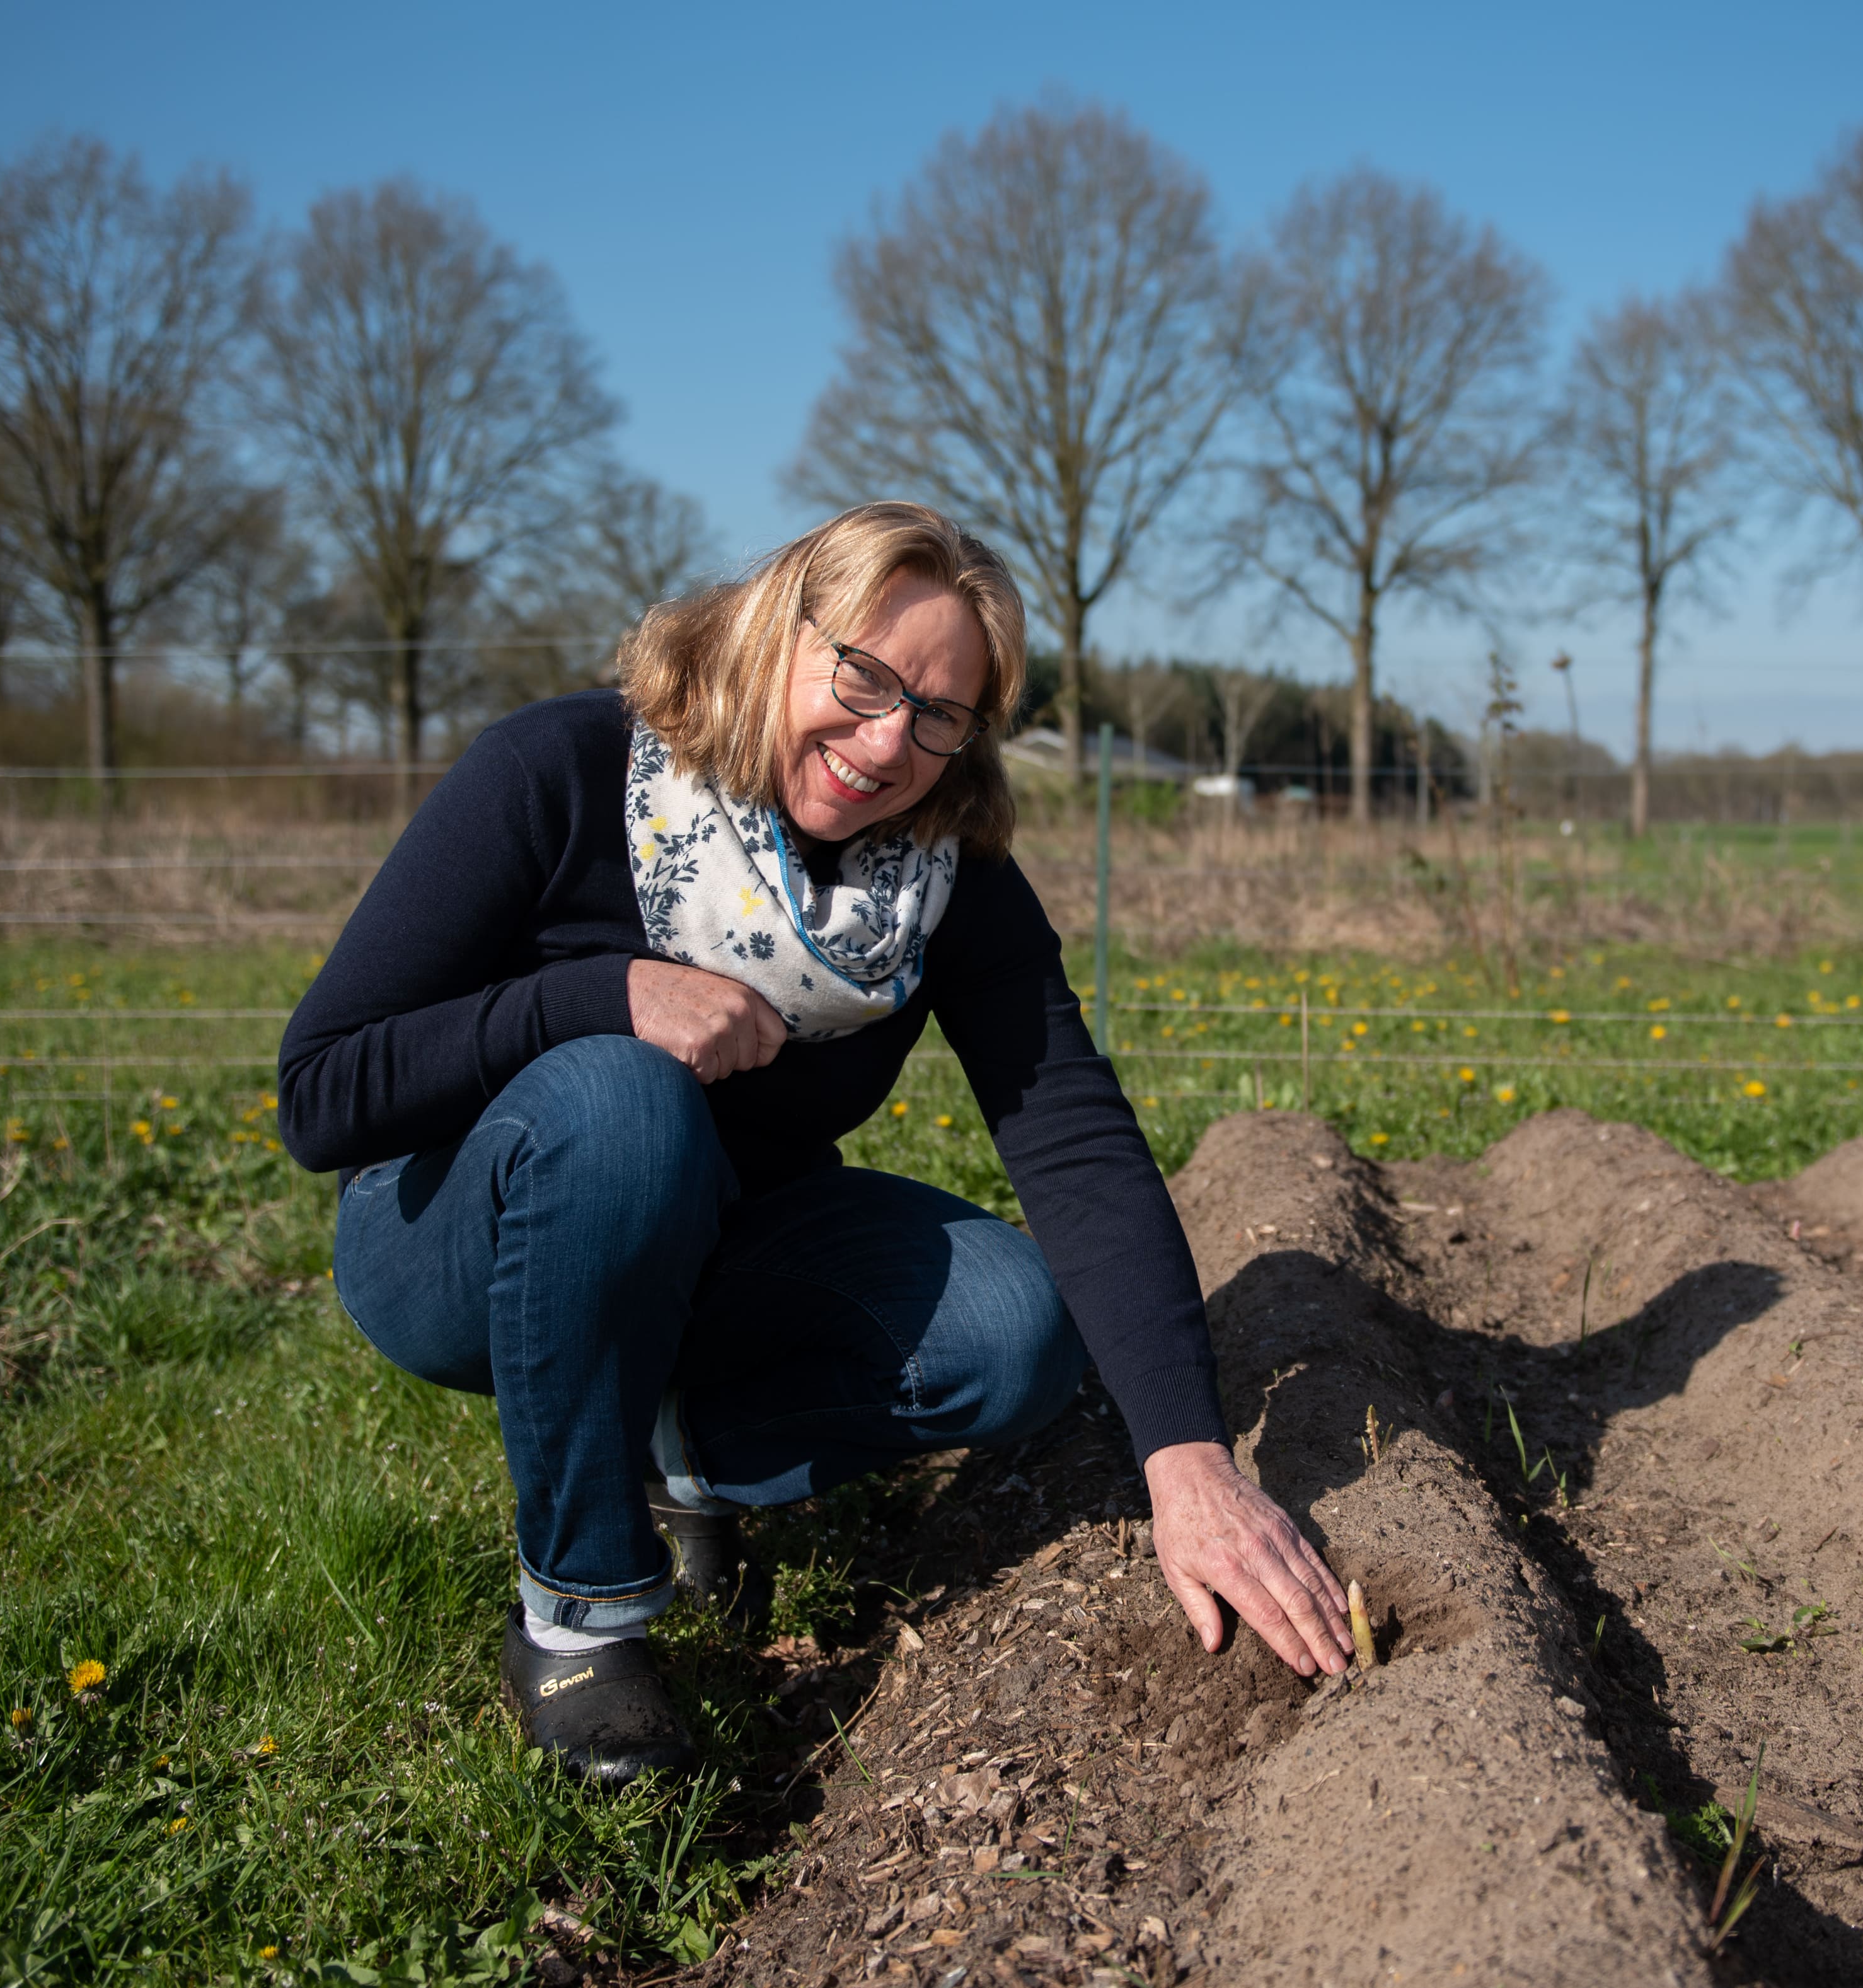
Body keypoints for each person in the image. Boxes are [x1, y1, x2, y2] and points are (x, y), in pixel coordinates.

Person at [279, 502, 1352, 1786]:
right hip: (453, 1236)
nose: (886, 740)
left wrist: (1188, 1457)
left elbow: (1067, 1130)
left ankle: (672, 1446)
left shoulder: (939, 875)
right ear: (771, 628)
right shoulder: (558, 770)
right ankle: (580, 1620)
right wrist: (602, 995)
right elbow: (323, 1088)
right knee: (625, 1097)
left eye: (939, 714)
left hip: (722, 1249)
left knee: (1013, 1330)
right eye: (863, 674)